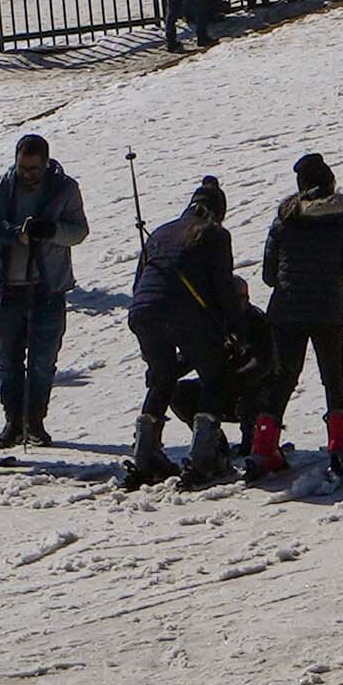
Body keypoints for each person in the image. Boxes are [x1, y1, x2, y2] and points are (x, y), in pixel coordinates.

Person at [126, 178, 258, 490]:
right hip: (182, 312)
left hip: (142, 311)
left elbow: (138, 282)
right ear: (218, 212)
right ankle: (204, 457)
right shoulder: (214, 234)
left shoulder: (159, 232)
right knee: (215, 374)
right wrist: (235, 328)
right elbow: (223, 287)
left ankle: (146, 456)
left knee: (162, 376)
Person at [258, 151, 343, 479]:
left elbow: (268, 276)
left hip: (286, 310)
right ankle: (339, 446)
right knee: (333, 376)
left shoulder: (284, 219)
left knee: (282, 376)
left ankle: (264, 446)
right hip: (329, 310)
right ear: (330, 183)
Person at [0, 134, 88, 449]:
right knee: (8, 361)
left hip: (48, 288)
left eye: (34, 169)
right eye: (23, 168)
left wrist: (52, 231)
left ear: (46, 163)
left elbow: (79, 231)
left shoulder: (65, 189)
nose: (28, 174)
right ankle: (13, 420)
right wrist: (15, 236)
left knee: (42, 361)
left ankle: (35, 421)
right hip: (6, 289)